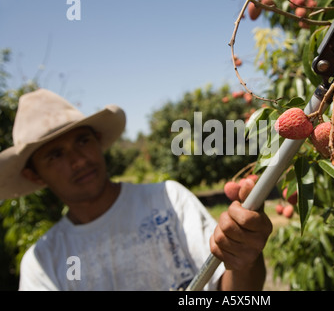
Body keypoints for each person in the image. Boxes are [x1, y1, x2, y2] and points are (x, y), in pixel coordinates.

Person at [0, 88, 273, 291]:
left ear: (97, 141)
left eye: (82, 141)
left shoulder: (168, 200)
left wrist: (244, 257)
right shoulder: (43, 262)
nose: (79, 160)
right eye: (55, 155)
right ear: (34, 176)